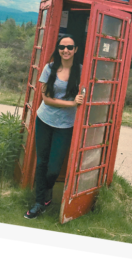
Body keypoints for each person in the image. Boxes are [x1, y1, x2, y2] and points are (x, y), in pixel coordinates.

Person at [25, 34, 85, 219]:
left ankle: (48, 190)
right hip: (44, 120)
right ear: (58, 49)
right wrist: (72, 104)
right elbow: (46, 99)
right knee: (42, 162)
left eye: (69, 47)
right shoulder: (49, 68)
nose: (65, 50)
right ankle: (38, 202)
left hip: (65, 126)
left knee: (53, 167)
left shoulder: (82, 71)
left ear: (75, 49)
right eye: (62, 47)